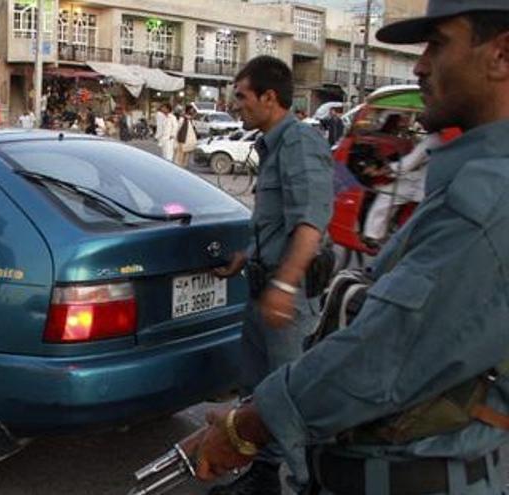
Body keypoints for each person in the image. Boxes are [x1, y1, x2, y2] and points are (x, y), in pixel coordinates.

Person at [194, 4, 509, 495]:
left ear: (501, 54)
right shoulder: (469, 181)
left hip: (419, 473)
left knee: (283, 383)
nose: (421, 65)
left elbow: (382, 353)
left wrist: (246, 428)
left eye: (439, 43)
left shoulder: (491, 201)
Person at [207, 55, 334, 495]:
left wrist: (283, 285)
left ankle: (309, 483)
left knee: (291, 396)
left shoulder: (299, 142)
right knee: (260, 390)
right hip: (265, 286)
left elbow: (311, 224)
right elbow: (278, 223)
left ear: (269, 97)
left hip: (289, 295)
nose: (235, 104)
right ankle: (264, 476)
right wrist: (248, 257)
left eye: (242, 96)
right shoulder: (271, 144)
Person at [362, 129, 439, 244]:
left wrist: (382, 170)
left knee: (386, 193)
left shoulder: (433, 139)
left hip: (421, 184)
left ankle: (373, 235)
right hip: (430, 180)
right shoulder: (449, 138)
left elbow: (407, 164)